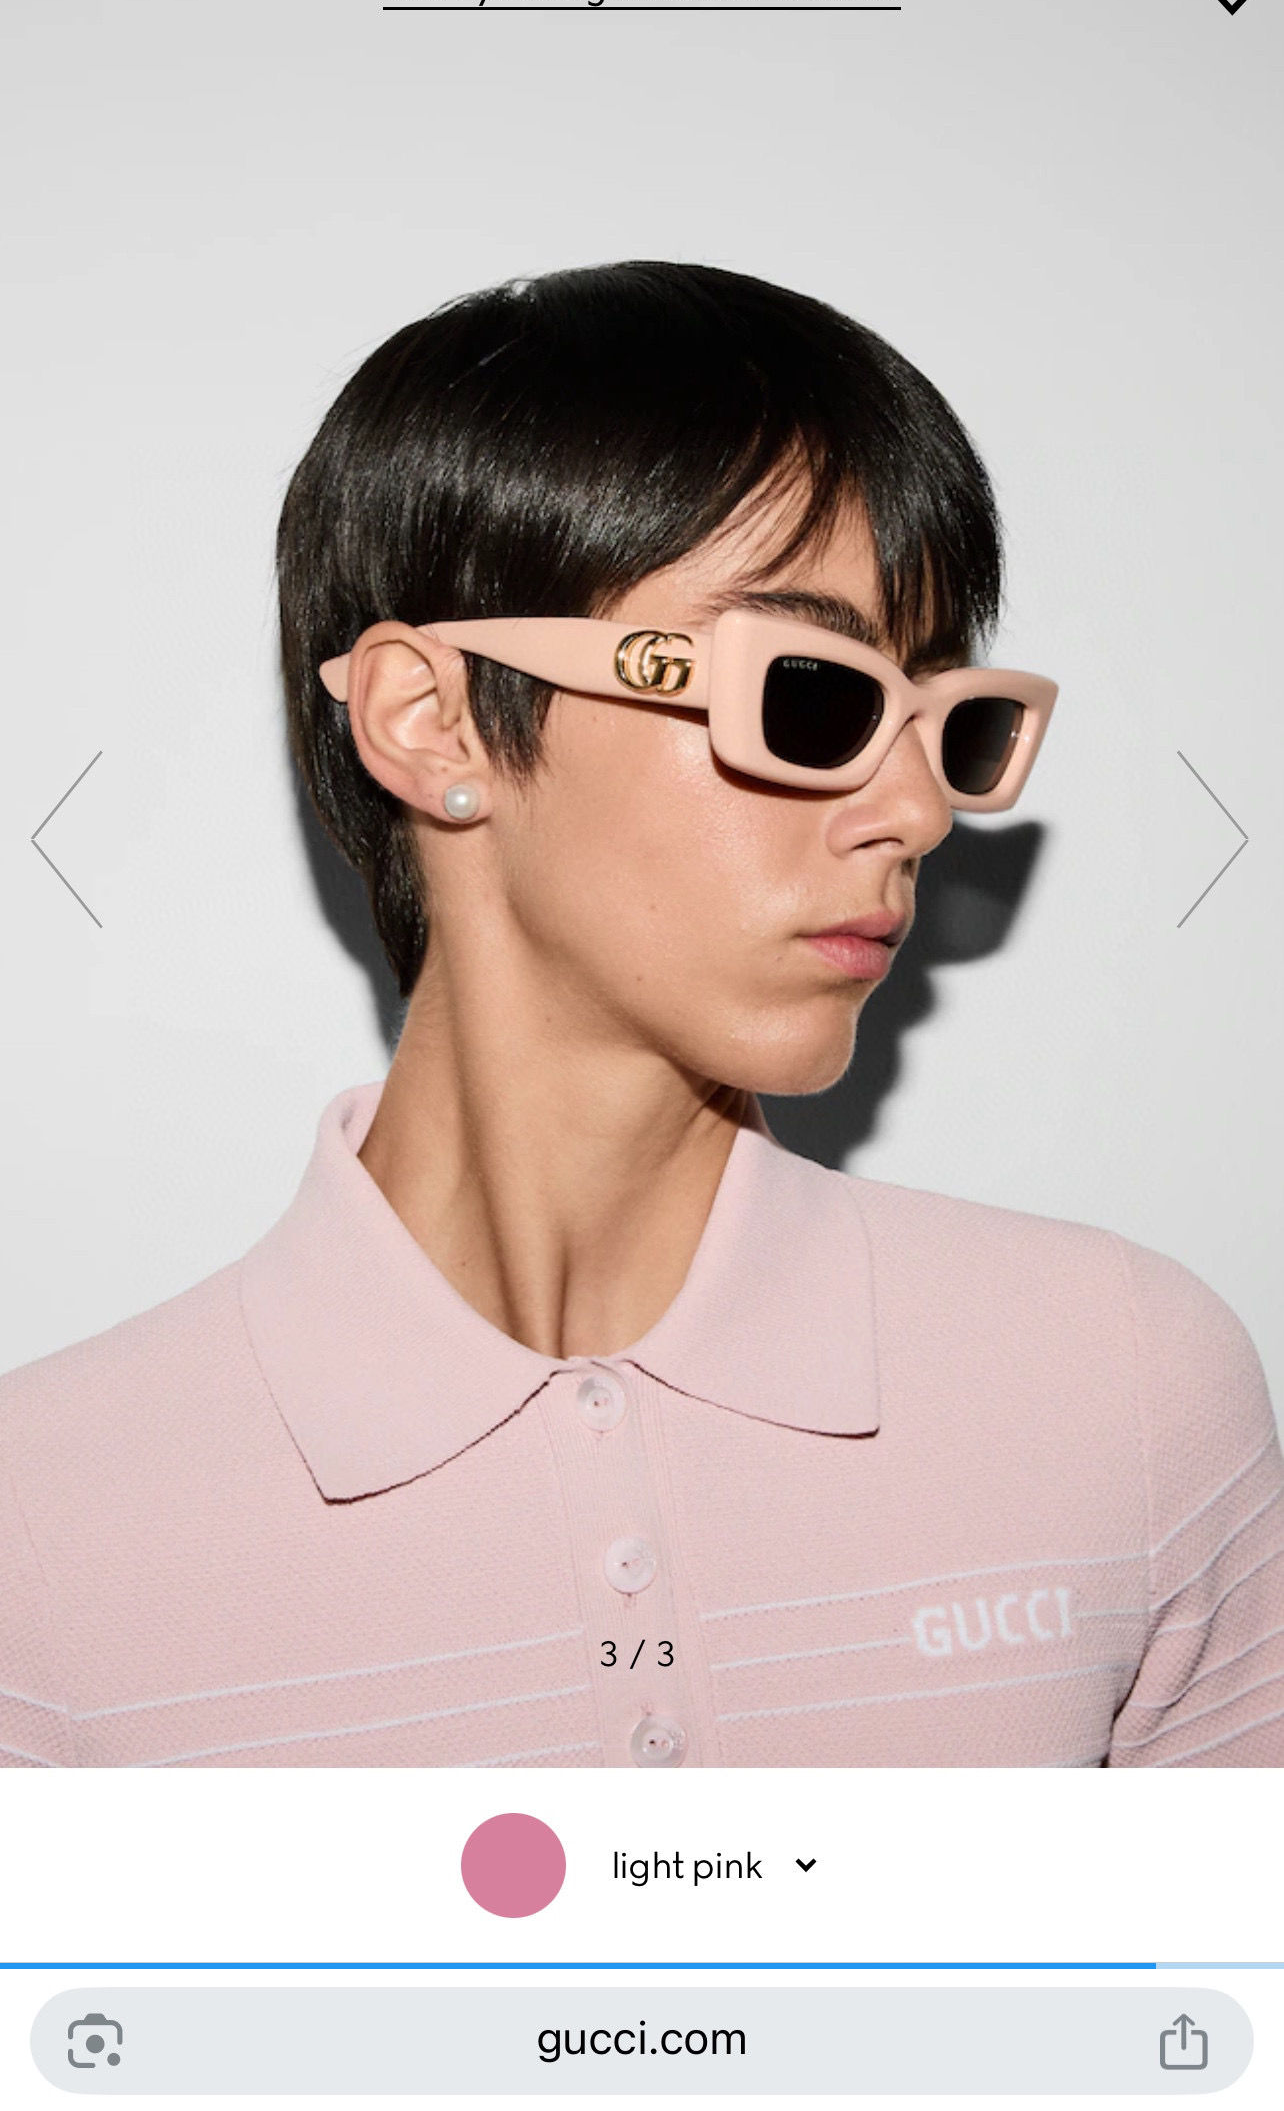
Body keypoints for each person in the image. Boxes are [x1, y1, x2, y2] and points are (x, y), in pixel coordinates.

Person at [2, 260, 1281, 1769]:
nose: (918, 812)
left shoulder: (1123, 1389)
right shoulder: (46, 1534)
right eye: (810, 693)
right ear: (433, 719)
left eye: (950, 721)